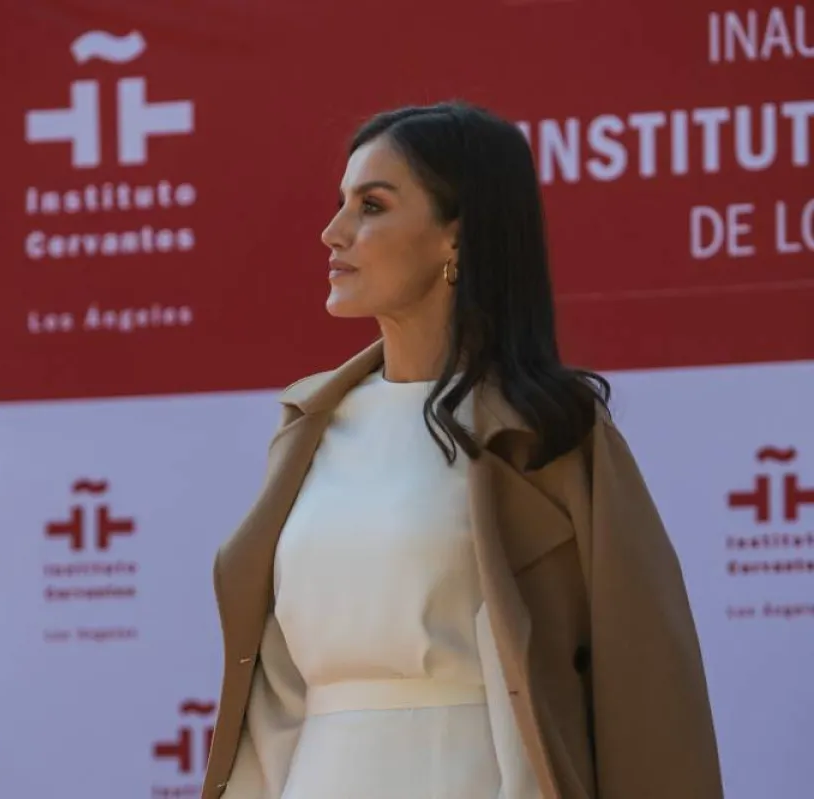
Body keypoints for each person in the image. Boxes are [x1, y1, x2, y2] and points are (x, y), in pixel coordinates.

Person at [199, 102, 722, 799]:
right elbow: (275, 698)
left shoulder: (550, 434)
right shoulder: (309, 428)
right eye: (341, 204)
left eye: (372, 205)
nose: (334, 232)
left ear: (456, 237)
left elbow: (646, 689)